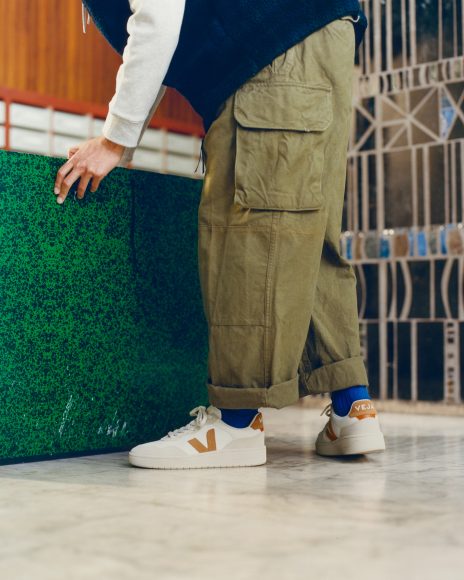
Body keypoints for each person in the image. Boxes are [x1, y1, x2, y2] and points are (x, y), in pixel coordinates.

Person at [53, 0, 386, 469]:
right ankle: (353, 407)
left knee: (244, 229)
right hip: (316, 34)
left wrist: (114, 140)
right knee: (303, 226)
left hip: (272, 49)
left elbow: (158, 20)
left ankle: (235, 424)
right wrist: (122, 140)